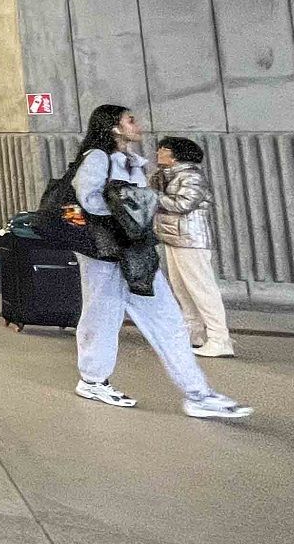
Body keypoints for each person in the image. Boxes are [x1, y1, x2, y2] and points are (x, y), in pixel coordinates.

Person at [69, 105, 250, 419]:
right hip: (106, 252)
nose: (137, 125)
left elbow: (140, 203)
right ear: (114, 127)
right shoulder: (98, 158)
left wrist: (136, 210)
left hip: (136, 252)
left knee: (168, 321)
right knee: (100, 317)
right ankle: (93, 380)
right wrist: (127, 212)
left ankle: (199, 394)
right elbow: (88, 199)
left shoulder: (133, 164)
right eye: (130, 120)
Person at [153, 136, 234, 358]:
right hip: (173, 237)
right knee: (182, 288)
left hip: (191, 239)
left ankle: (220, 339)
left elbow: (183, 204)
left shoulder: (191, 176)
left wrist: (153, 197)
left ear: (177, 155)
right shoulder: (167, 175)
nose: (159, 152)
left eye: (164, 149)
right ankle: (194, 333)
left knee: (202, 289)